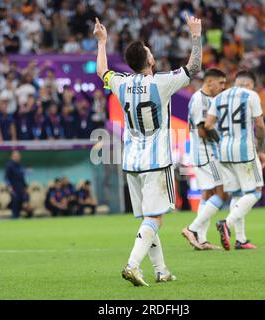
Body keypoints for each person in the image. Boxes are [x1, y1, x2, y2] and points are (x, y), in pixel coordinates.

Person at [94, 12, 202, 286]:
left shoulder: (122, 82)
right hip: (157, 161)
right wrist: (196, 35)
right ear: (150, 60)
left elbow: (101, 71)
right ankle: (132, 265)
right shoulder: (162, 82)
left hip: (131, 162)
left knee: (148, 218)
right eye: (150, 52)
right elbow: (194, 67)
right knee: (155, 219)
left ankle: (161, 270)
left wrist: (102, 42)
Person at [205, 70, 265, 251]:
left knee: (237, 194)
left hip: (224, 151)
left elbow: (208, 125)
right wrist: (260, 147)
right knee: (256, 191)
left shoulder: (219, 98)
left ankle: (241, 239)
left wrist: (220, 140)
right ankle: (227, 223)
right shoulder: (251, 95)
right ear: (249, 84)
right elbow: (260, 125)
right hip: (244, 150)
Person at [181, 68, 228, 251]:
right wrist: (222, 142)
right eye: (221, 83)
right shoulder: (200, 100)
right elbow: (202, 131)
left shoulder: (211, 99)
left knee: (207, 196)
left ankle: (201, 239)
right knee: (222, 193)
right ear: (209, 82)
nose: (223, 87)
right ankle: (192, 229)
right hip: (207, 153)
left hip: (205, 154)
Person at [5, 151, 29, 219]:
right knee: (15, 203)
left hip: (21, 188)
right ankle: (14, 217)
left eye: (18, 156)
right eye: (15, 156)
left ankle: (20, 217)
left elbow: (22, 178)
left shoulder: (21, 165)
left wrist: (25, 187)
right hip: (14, 188)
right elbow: (6, 178)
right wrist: (9, 187)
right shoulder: (9, 166)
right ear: (12, 157)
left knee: (24, 202)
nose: (17, 157)